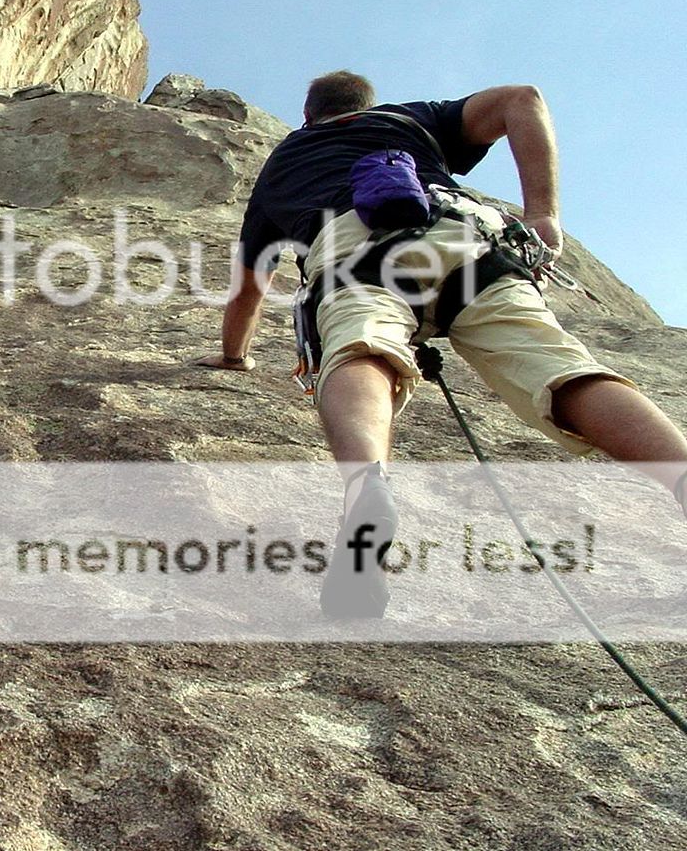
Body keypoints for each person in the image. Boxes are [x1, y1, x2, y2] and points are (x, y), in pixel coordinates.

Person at [200, 70, 687, 618]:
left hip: (352, 247)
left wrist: (234, 356)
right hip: (463, 235)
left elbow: (247, 290)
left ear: (307, 115)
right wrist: (543, 214)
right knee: (560, 367)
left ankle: (366, 489)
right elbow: (521, 99)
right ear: (365, 103)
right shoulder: (411, 118)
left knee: (361, 350)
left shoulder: (283, 168)